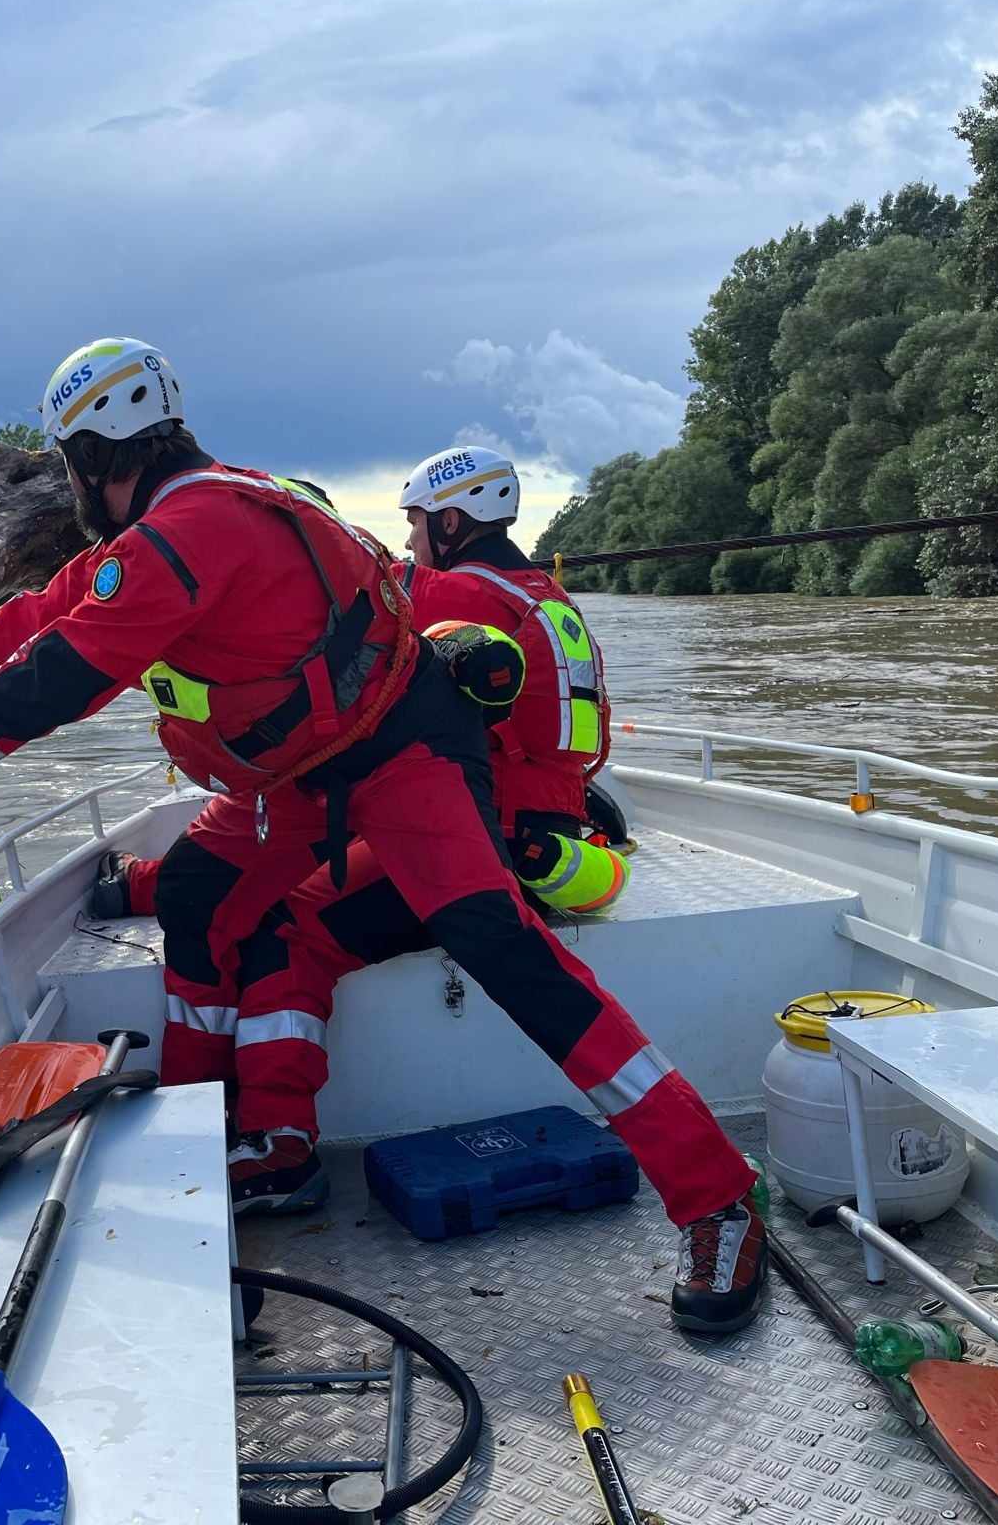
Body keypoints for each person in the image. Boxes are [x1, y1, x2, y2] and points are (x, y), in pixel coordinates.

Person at [0, 344, 765, 1335]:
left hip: (405, 753)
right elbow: (34, 620)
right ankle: (213, 1141)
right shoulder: (193, 517)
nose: (69, 482)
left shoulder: (185, 535)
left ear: (96, 455)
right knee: (194, 891)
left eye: (68, 462)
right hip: (301, 770)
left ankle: (716, 1199)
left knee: (506, 953)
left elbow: (48, 685)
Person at [104, 445, 633, 1200]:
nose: (410, 540)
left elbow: (346, 624)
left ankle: (279, 1146)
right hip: (543, 835)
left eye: (417, 524)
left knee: (287, 929)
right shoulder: (548, 599)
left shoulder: (447, 592)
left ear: (451, 523)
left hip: (476, 847)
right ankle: (149, 892)